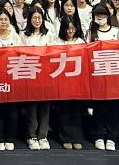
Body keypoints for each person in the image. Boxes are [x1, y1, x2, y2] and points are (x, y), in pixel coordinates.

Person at [0, 11, 22, 150]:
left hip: (12, 77)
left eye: (6, 19)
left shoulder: (15, 36)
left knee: (12, 110)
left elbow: (20, 55)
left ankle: (10, 137)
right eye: (0, 19)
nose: (3, 22)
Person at [88, 3, 119, 151]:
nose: (100, 17)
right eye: (97, 15)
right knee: (99, 107)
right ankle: (99, 136)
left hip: (114, 74)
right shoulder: (91, 33)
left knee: (113, 108)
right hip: (97, 74)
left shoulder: (116, 31)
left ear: (108, 15)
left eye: (102, 14)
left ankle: (112, 137)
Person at [51, 17, 84, 150]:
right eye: (68, 28)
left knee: (76, 111)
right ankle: (65, 137)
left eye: (73, 28)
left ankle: (76, 137)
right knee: (64, 110)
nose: (70, 31)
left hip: (77, 82)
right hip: (62, 81)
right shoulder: (56, 42)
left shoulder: (80, 42)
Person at [22, 7, 51, 150]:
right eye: (34, 18)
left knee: (45, 106)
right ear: (29, 19)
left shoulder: (49, 34)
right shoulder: (23, 35)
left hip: (47, 74)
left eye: (39, 18)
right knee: (32, 106)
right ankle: (32, 135)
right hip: (30, 74)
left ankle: (43, 135)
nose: (37, 20)